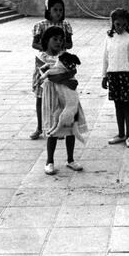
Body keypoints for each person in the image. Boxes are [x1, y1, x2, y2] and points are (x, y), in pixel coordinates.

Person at [38, 26, 87, 175]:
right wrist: (66, 79)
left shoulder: (64, 55)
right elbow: (49, 76)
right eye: (55, 39)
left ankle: (70, 159)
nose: (58, 42)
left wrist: (66, 78)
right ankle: (50, 161)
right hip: (52, 95)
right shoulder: (41, 57)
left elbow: (73, 70)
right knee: (53, 127)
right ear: (47, 40)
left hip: (67, 96)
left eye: (61, 40)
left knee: (70, 127)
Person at [30, 0, 73, 140]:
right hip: (45, 62)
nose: (58, 13)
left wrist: (60, 45)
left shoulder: (65, 25)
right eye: (55, 9)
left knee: (59, 98)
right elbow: (34, 44)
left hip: (60, 64)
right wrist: (47, 47)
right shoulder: (41, 25)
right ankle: (39, 127)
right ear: (49, 10)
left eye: (61, 10)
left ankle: (57, 126)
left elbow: (70, 44)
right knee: (41, 97)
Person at [101, 8, 129, 148]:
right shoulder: (109, 38)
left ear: (127, 24)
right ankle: (121, 134)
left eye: (124, 25)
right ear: (112, 23)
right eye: (118, 24)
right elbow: (105, 58)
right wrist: (104, 75)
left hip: (126, 76)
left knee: (127, 106)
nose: (121, 28)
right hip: (113, 75)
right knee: (118, 105)